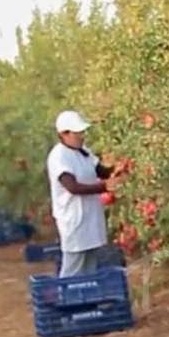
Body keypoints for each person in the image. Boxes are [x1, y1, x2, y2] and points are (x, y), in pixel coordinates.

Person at [46, 110, 114, 278]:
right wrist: (104, 187)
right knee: (74, 266)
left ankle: (86, 300)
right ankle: (67, 300)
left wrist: (118, 170)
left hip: (90, 217)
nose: (82, 136)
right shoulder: (59, 156)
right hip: (73, 219)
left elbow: (101, 171)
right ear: (64, 134)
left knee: (90, 265)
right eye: (78, 133)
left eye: (82, 132)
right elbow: (72, 187)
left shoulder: (83, 151)